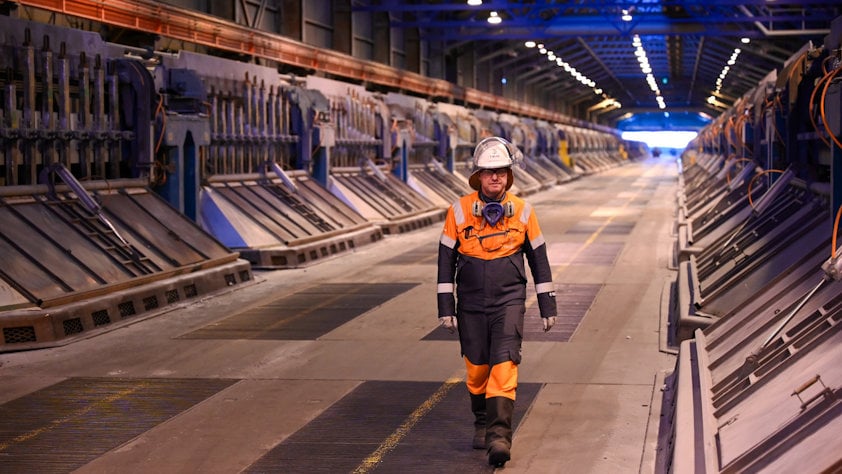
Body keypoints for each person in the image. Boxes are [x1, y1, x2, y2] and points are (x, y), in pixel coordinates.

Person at [436, 136, 557, 467]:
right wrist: (445, 307)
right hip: (471, 302)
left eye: (501, 172)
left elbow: (539, 259)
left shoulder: (524, 211)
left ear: (509, 176)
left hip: (509, 300)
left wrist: (547, 304)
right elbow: (445, 261)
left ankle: (499, 437)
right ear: (478, 176)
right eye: (489, 172)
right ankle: (481, 422)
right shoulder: (458, 211)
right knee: (477, 369)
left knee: (504, 364)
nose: (495, 178)